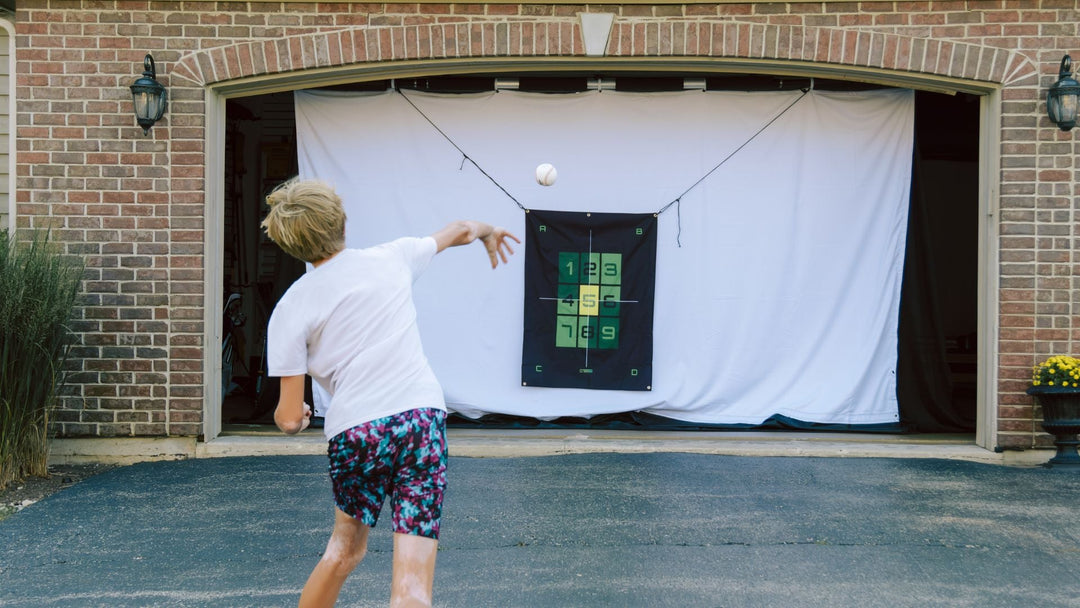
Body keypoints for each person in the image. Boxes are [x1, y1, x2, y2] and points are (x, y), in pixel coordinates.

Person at [260, 178, 519, 608]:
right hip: (420, 420)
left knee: (345, 552)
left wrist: (300, 417)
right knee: (413, 587)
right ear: (341, 220)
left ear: (292, 245)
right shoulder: (392, 257)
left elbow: (288, 419)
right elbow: (458, 230)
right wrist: (489, 231)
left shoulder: (291, 307)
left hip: (357, 432)